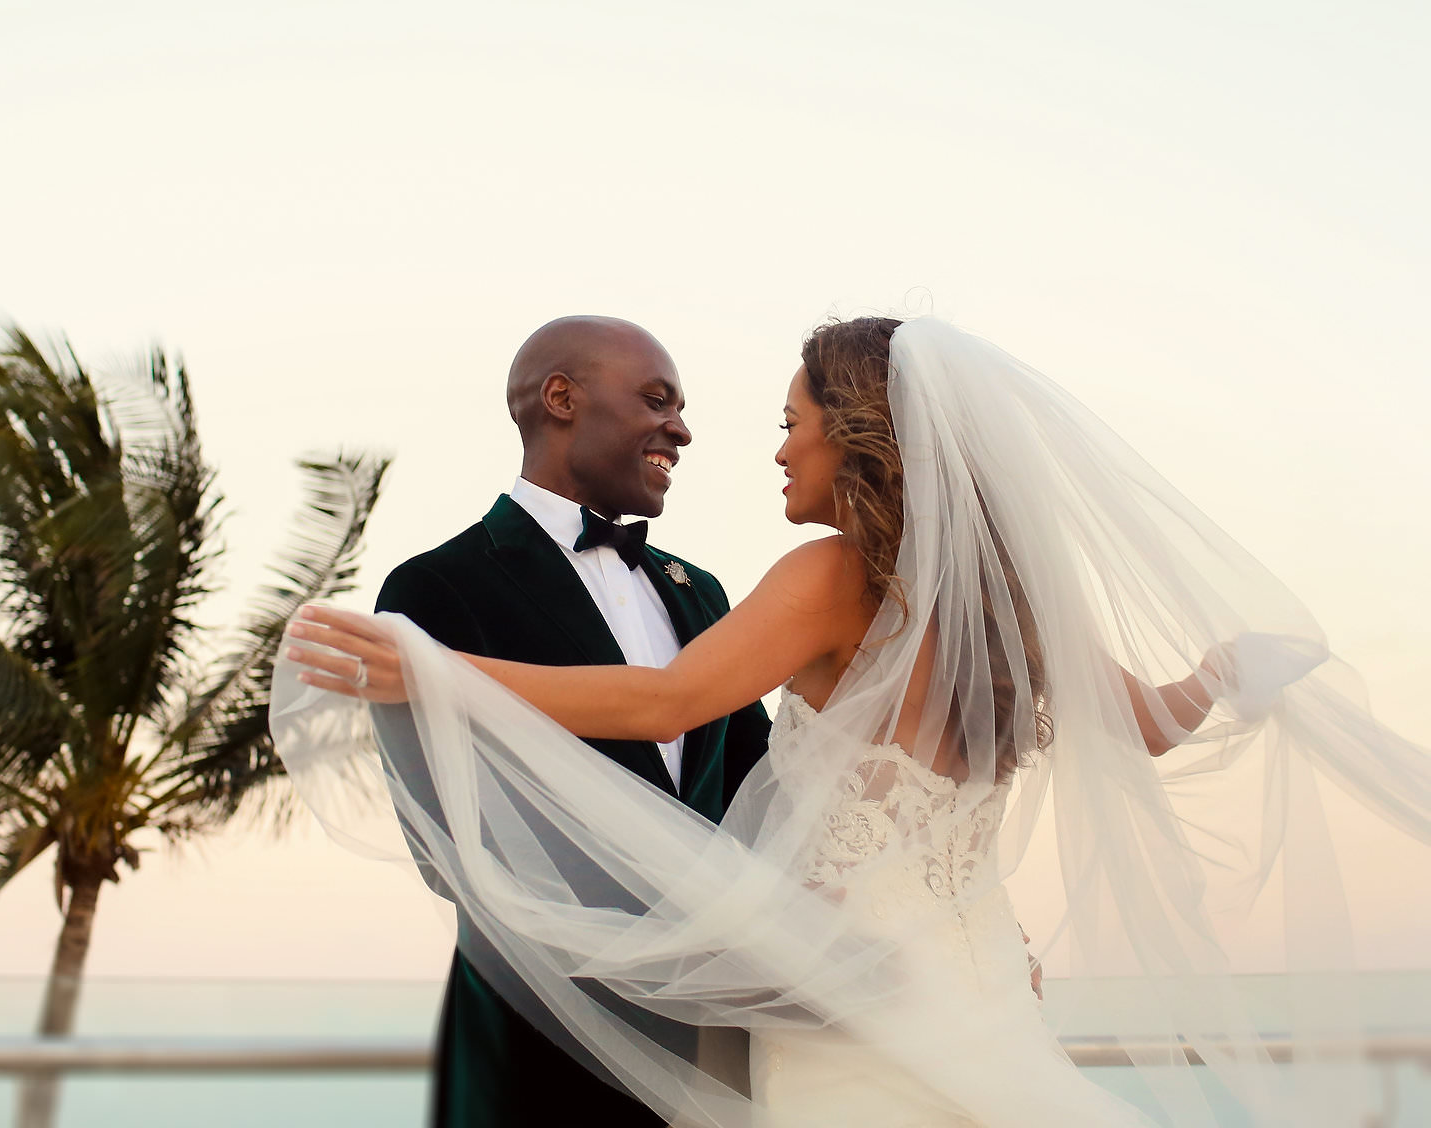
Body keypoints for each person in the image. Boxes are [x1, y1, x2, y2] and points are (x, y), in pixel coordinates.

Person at [277, 315, 1431, 1126]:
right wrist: (1223, 673)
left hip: (832, 991)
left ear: (858, 432)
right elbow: (1149, 730)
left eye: (792, 422)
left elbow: (672, 702)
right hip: (972, 973)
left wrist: (437, 673)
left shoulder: (824, 577)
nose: (775, 447)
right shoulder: (1010, 595)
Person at [366, 314, 772, 1128]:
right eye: (658, 400)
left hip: (718, 1032)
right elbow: (447, 841)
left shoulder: (703, 593)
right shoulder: (434, 590)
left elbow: (766, 790)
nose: (681, 430)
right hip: (538, 1027)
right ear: (561, 398)